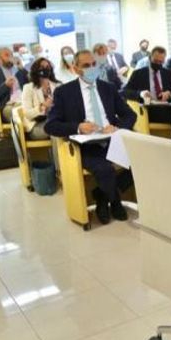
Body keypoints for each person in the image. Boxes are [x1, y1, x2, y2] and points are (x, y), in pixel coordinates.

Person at [45, 50, 137, 224]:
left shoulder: (108, 88)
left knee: (142, 160)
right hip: (86, 145)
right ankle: (115, 202)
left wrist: (117, 127)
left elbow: (130, 115)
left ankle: (101, 196)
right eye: (86, 65)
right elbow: (51, 125)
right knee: (105, 169)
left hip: (113, 140)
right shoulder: (64, 92)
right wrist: (78, 127)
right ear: (75, 69)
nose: (91, 68)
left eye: (94, 64)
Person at [0, 47, 29, 122]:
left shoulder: (20, 71)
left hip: (24, 101)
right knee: (19, 112)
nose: (10, 57)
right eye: (7, 55)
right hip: (8, 106)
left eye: (11, 55)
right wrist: (5, 86)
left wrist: (22, 67)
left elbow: (32, 84)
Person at [21, 58, 60, 140]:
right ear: (35, 70)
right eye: (42, 67)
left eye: (48, 67)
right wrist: (43, 106)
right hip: (36, 125)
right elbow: (27, 114)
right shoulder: (28, 88)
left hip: (56, 120)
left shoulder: (58, 85)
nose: (45, 69)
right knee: (57, 128)